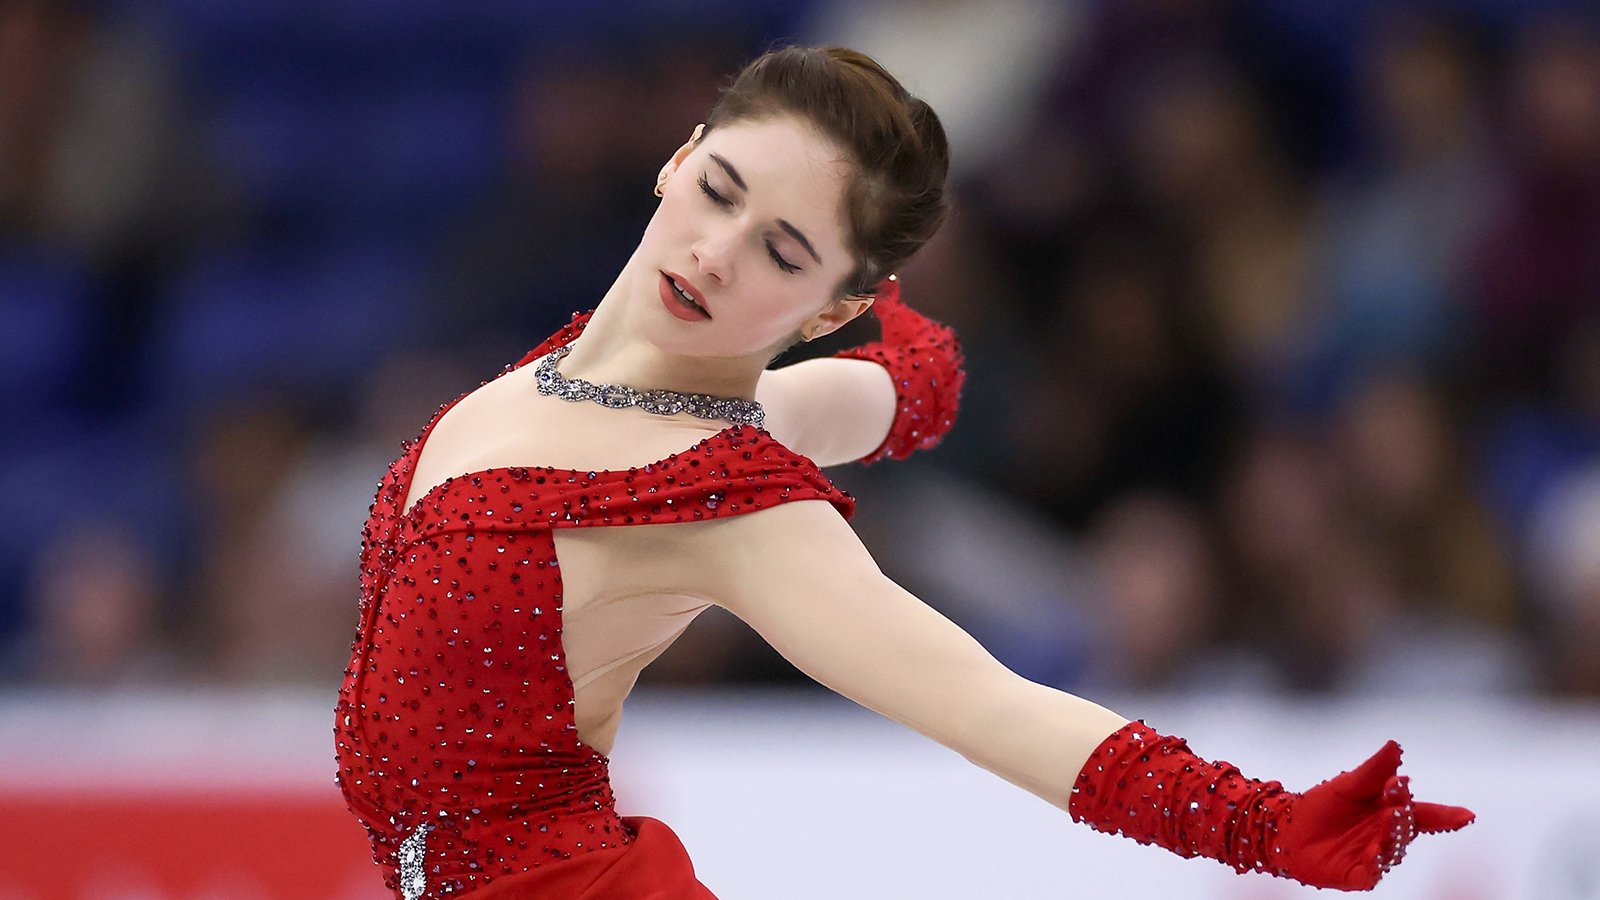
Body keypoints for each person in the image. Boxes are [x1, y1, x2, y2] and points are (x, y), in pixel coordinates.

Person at [333, 46, 1473, 899]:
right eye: (722, 188)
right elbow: (914, 386)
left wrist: (1264, 825)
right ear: (680, 157)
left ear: (831, 305)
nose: (716, 255)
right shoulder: (608, 382)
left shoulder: (728, 498)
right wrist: (917, 347)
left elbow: (988, 706)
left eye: (782, 250)